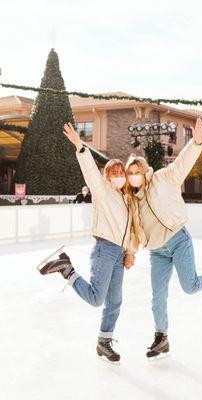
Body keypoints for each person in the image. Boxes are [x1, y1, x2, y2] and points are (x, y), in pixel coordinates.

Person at [125, 118, 202, 359]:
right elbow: (131, 230)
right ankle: (161, 338)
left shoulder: (163, 179)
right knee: (157, 297)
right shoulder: (132, 201)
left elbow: (182, 163)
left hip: (178, 239)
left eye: (137, 172)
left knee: (190, 286)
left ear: (145, 171)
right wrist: (130, 252)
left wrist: (196, 143)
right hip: (157, 251)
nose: (134, 176)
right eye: (130, 173)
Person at [37, 123, 135, 363]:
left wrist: (130, 252)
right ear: (107, 177)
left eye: (122, 173)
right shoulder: (102, 191)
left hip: (119, 255)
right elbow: (90, 170)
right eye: (115, 173)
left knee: (115, 301)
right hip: (104, 250)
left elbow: (131, 230)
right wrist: (80, 146)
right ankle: (67, 270)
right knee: (96, 299)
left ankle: (104, 342)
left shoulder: (126, 200)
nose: (120, 177)